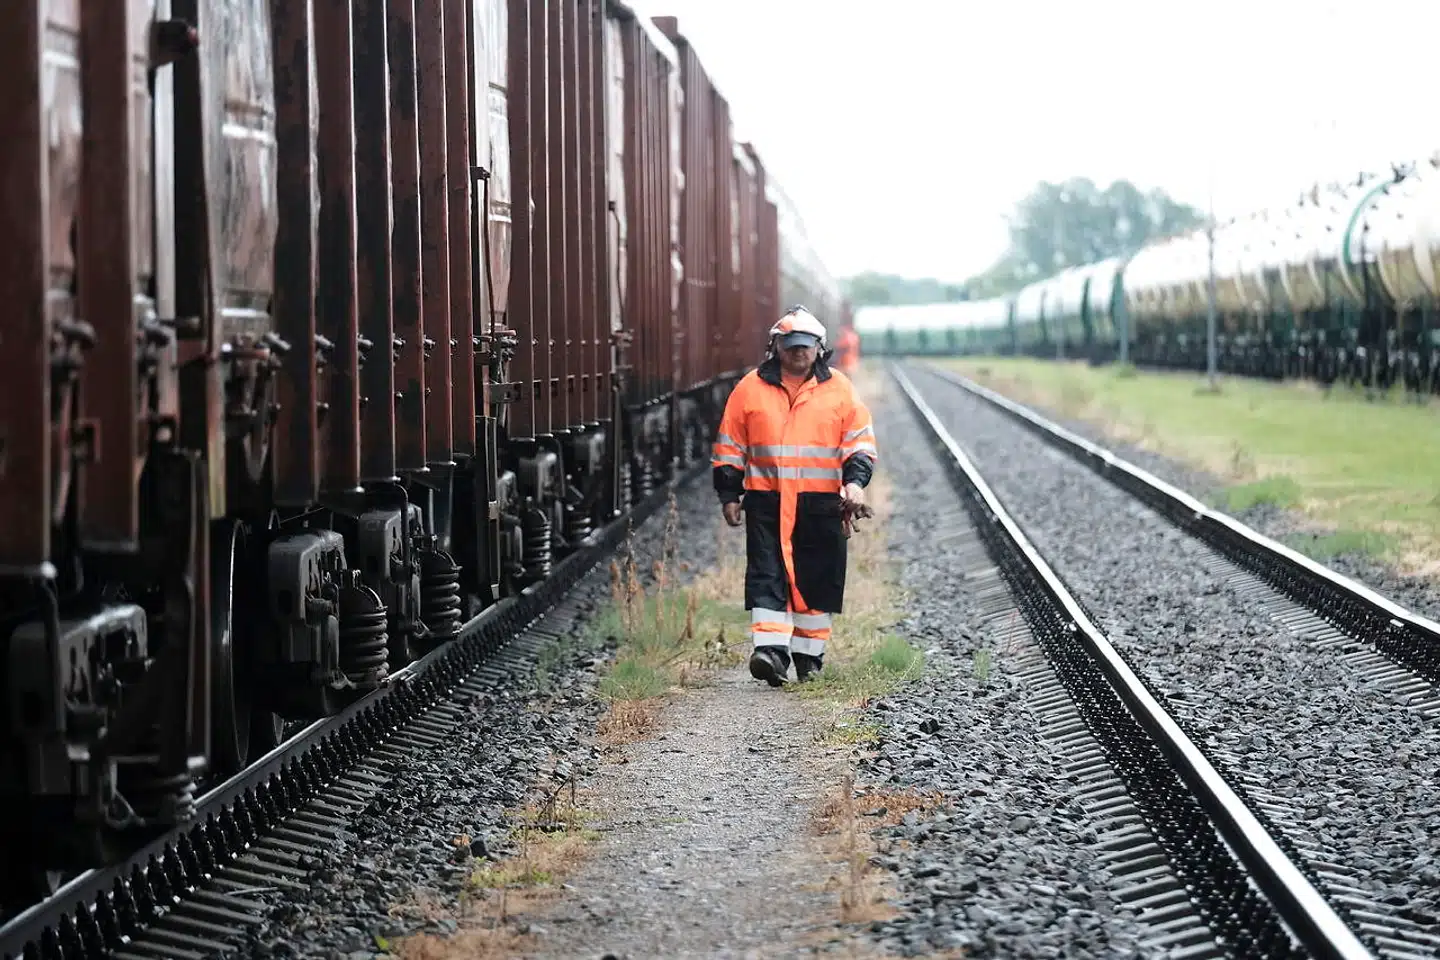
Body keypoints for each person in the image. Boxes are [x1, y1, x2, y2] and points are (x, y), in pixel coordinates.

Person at [710, 306, 878, 687]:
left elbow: (860, 445)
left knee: (816, 580)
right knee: (767, 574)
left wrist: (855, 483)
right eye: (791, 345)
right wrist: (729, 493)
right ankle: (769, 653)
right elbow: (730, 446)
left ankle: (808, 659)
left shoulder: (840, 390)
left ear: (819, 348)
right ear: (776, 347)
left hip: (821, 505)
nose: (798, 351)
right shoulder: (750, 389)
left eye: (805, 345)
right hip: (766, 502)